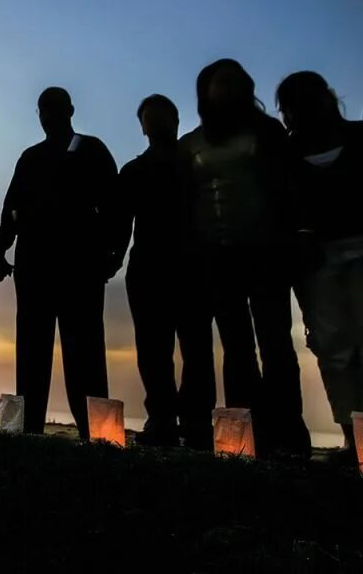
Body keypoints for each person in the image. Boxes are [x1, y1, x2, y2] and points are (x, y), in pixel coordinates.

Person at [178, 59, 310, 458]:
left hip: (266, 252)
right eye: (220, 83)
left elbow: (290, 189)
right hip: (216, 257)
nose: (228, 89)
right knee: (236, 348)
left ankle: (288, 436)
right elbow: (184, 204)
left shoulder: (268, 132)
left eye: (235, 82)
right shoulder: (191, 144)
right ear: (205, 91)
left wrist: (296, 237)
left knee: (275, 344)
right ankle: (242, 437)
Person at [0, 87, 121, 440]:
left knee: (86, 352)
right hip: (34, 268)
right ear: (39, 115)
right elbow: (11, 210)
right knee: (32, 350)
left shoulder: (92, 150)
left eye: (55, 108)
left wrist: (115, 253)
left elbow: (116, 205)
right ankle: (28, 430)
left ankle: (97, 434)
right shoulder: (30, 158)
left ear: (70, 110)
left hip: (81, 268)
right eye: (43, 109)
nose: (48, 115)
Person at [114, 95, 217, 448]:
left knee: (196, 348)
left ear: (175, 121)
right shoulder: (133, 171)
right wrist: (110, 260)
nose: (155, 123)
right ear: (143, 126)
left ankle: (197, 422)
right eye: (149, 117)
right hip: (148, 270)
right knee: (154, 350)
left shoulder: (196, 165)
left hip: (192, 267)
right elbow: (120, 223)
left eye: (161, 116)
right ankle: (162, 420)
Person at [277, 71, 363, 461]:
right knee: (334, 349)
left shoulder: (360, 138)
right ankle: (352, 435)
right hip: (316, 262)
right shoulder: (285, 155)